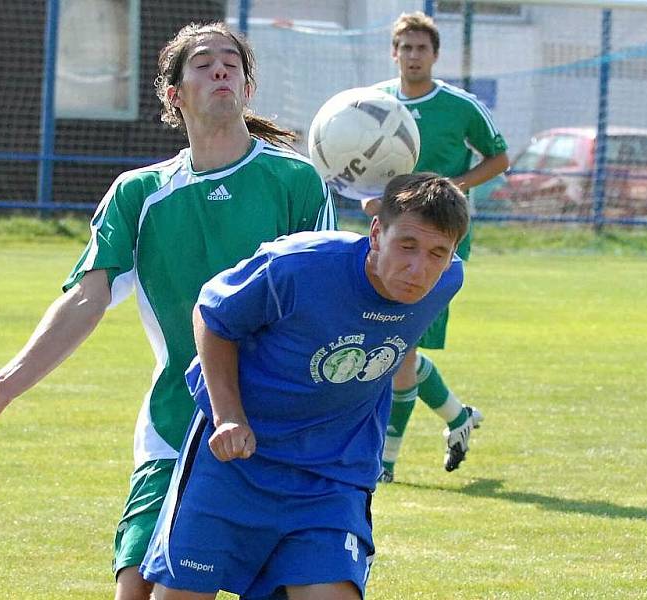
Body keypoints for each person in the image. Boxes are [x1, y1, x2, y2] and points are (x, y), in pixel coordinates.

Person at [0, 21, 336, 600]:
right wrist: (6, 383)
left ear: (246, 87)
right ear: (174, 94)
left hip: (276, 424)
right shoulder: (138, 193)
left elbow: (318, 305)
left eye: (232, 63)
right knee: (137, 587)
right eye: (203, 63)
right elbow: (84, 299)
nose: (221, 69)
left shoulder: (295, 180)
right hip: (177, 422)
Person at [139, 173, 469, 600]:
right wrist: (229, 417)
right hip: (239, 461)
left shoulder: (446, 282)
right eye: (407, 245)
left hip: (332, 476)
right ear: (376, 233)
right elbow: (212, 316)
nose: (418, 268)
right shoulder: (298, 265)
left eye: (437, 253)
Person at [363, 11, 510, 480]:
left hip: (438, 244)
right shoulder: (376, 103)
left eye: (420, 48)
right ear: (393, 53)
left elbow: (500, 157)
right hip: (388, 241)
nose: (412, 56)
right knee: (395, 346)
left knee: (399, 349)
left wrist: (456, 186)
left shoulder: (460, 105)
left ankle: (385, 463)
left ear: (435, 55)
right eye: (404, 47)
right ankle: (458, 418)